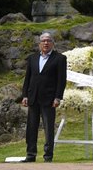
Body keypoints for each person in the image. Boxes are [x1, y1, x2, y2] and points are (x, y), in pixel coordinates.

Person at [21, 32, 67, 162]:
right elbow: (27, 78)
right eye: (43, 41)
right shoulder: (32, 58)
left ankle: (48, 156)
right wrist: (24, 95)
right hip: (33, 97)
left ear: (52, 43)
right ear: (39, 43)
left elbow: (61, 80)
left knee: (48, 128)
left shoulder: (59, 58)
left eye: (48, 40)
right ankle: (30, 155)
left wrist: (58, 97)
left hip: (49, 98)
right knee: (31, 128)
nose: (46, 43)